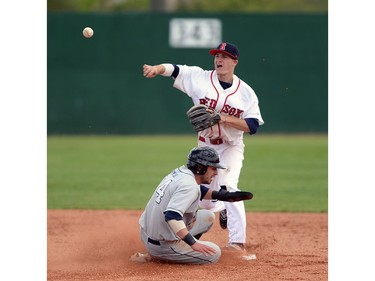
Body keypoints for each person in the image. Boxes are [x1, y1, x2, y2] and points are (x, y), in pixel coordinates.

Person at [142, 42, 264, 251]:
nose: (219, 60)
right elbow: (175, 69)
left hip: (230, 146)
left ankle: (236, 243)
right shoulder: (200, 78)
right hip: (205, 146)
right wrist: (156, 68)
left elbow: (252, 126)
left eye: (225, 56)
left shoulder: (246, 92)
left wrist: (222, 118)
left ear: (234, 62)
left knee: (229, 185)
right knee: (205, 200)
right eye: (217, 55)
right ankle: (219, 209)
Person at [139, 146, 253, 264]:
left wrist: (224, 196)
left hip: (147, 233)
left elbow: (199, 190)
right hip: (162, 245)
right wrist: (193, 244)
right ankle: (165, 255)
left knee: (208, 217)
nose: (216, 173)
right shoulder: (188, 186)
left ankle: (178, 246)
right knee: (214, 253)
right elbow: (172, 216)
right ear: (200, 168)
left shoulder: (182, 173)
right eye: (213, 168)